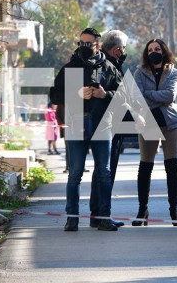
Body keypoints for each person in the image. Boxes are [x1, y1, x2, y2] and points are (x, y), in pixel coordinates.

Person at [50, 28, 123, 232]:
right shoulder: (69, 68)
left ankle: (103, 218)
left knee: (104, 174)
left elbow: (123, 96)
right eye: (81, 43)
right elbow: (54, 96)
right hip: (77, 124)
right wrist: (76, 93)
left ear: (97, 46)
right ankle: (72, 218)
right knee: (74, 174)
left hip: (102, 125)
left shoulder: (109, 68)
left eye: (88, 44)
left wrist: (104, 94)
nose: (83, 47)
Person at [131, 39, 177, 227]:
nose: (154, 52)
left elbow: (170, 95)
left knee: (172, 166)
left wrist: (149, 95)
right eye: (150, 49)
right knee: (145, 166)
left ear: (163, 51)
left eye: (157, 49)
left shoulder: (173, 72)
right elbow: (137, 97)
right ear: (146, 53)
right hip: (147, 122)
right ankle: (142, 209)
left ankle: (174, 210)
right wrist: (155, 98)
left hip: (170, 122)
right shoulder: (140, 72)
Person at [88, 30, 132, 228]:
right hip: (107, 124)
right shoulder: (106, 66)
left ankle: (97, 215)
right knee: (106, 171)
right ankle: (102, 216)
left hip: (103, 123)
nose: (125, 52)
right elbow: (113, 94)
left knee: (101, 170)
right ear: (116, 50)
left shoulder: (107, 64)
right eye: (123, 49)